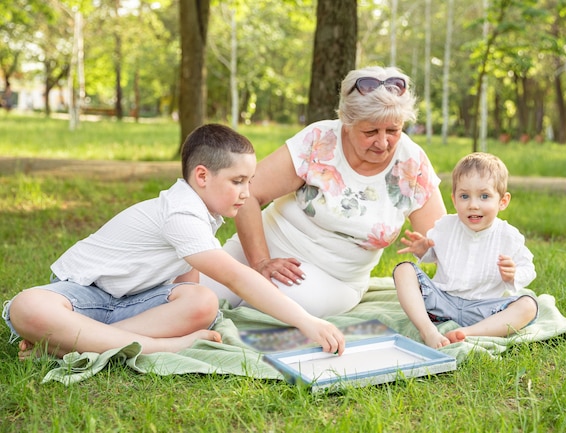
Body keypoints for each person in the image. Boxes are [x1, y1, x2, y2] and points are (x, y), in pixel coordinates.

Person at [2, 123, 345, 360]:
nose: (247, 192)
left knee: (203, 302)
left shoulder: (205, 213)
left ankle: (76, 344)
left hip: (132, 305)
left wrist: (192, 306)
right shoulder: (180, 212)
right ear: (202, 176)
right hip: (88, 297)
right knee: (27, 306)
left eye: (250, 181)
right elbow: (238, 277)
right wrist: (307, 321)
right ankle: (161, 347)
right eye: (238, 181)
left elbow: (186, 279)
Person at [200, 66, 447, 317]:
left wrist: (429, 249)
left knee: (271, 298)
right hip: (261, 247)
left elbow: (447, 242)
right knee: (193, 293)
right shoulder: (319, 139)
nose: (383, 143)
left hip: (332, 280)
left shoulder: (413, 164)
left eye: (393, 130)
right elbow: (248, 192)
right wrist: (261, 261)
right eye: (371, 131)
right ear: (346, 121)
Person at [393, 152, 539, 349]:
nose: (473, 205)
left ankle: (468, 333)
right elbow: (434, 255)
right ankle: (427, 330)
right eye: (464, 196)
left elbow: (528, 268)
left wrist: (514, 274)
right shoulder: (445, 225)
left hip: (484, 309)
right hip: (441, 303)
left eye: (484, 196)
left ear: (502, 201)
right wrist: (422, 251)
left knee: (529, 306)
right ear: (454, 200)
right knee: (403, 270)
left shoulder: (509, 236)